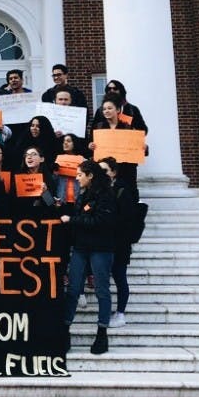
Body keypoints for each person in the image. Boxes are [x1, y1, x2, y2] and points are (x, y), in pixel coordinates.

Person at [60, 159, 117, 355]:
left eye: (79, 175)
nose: (77, 178)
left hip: (101, 249)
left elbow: (100, 221)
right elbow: (81, 216)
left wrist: (72, 219)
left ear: (90, 175)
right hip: (81, 248)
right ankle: (64, 331)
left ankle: (102, 334)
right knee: (73, 289)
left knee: (102, 290)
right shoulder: (83, 194)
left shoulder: (106, 195)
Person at [99, 156, 139, 329]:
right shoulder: (99, 190)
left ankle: (121, 313)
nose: (101, 174)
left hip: (119, 244)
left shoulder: (122, 190)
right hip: (103, 242)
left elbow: (128, 218)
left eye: (105, 170)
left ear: (113, 172)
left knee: (120, 277)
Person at [54, 133, 87, 204]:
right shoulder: (58, 160)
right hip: (61, 199)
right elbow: (54, 181)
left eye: (68, 141)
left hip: (78, 199)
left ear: (75, 143)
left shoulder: (83, 161)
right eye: (64, 141)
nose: (65, 143)